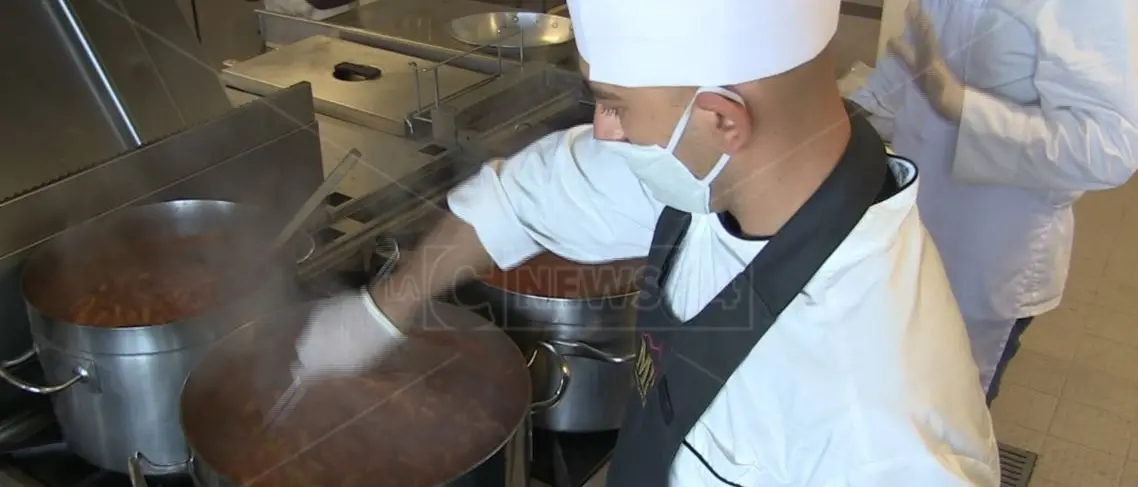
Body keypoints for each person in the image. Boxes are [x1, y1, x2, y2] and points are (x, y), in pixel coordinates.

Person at [294, 0, 1001, 484]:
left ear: (723, 119)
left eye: (615, 106)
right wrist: (377, 313)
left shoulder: (874, 420)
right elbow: (521, 195)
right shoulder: (710, 179)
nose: (603, 130)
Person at [849, 0, 1138, 404]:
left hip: (993, 247)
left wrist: (963, 108)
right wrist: (846, 113)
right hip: (909, 221)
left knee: (945, 419)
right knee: (886, 392)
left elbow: (1110, 148)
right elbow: (915, 54)